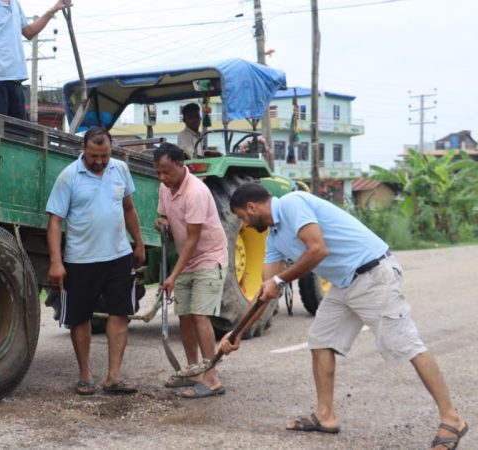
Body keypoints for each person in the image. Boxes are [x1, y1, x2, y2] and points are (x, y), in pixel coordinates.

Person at [219, 182, 468, 449]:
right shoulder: (275, 239)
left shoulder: (293, 203)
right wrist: (236, 334)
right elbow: (265, 290)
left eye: (242, 217)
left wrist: (279, 281)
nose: (243, 224)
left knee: (407, 345)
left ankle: (452, 418)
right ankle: (325, 416)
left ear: (252, 207)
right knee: (321, 339)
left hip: (373, 275)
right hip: (345, 283)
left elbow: (317, 250)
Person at [46, 127, 146, 396]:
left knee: (120, 313)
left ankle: (114, 376)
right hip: (80, 260)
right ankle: (85, 374)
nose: (100, 161)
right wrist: (57, 262)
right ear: (83, 150)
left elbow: (128, 208)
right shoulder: (69, 176)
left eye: (104, 155)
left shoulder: (120, 169)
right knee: (79, 317)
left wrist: (138, 242)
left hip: (119, 256)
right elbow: (55, 221)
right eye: (93, 156)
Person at [153, 143, 228, 399]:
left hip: (208, 257)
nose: (163, 178)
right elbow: (164, 216)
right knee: (184, 315)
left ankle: (212, 377)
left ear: (180, 166)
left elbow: (194, 238)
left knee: (199, 315)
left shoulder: (196, 191)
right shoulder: (165, 188)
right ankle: (193, 372)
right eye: (159, 173)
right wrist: (161, 221)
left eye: (167, 173)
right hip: (186, 259)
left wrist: (172, 276)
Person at [0, 0, 71, 119]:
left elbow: (28, 32)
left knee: (18, 134)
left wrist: (52, 10)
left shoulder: (14, 3)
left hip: (16, 80)